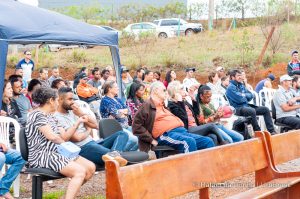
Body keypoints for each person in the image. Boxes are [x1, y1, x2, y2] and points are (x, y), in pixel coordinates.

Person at [26, 87, 95, 199]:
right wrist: (65, 144)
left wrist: (77, 123)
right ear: (50, 100)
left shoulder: (51, 116)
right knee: (80, 172)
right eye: (57, 100)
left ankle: (67, 196)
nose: (58, 103)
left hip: (57, 152)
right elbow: (51, 136)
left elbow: (63, 136)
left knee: (90, 168)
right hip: (42, 154)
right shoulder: (37, 114)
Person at [54, 87, 129, 166]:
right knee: (120, 158)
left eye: (73, 99)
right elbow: (77, 138)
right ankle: (114, 156)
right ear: (60, 100)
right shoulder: (58, 117)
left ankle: (113, 154)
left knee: (122, 134)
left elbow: (95, 125)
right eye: (69, 99)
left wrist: (81, 113)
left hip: (93, 143)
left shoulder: (74, 111)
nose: (72, 102)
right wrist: (88, 130)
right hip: (83, 148)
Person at [132, 81, 214, 153]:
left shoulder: (163, 106)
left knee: (207, 141)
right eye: (164, 90)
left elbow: (185, 120)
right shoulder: (147, 105)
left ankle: (210, 169)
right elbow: (136, 127)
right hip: (166, 135)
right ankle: (192, 170)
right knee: (188, 142)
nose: (166, 93)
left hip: (182, 132)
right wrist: (151, 140)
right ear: (156, 91)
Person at [167, 81, 228, 145]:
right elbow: (183, 118)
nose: (184, 91)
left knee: (213, 136)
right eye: (181, 89)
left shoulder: (184, 102)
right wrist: (180, 102)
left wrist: (193, 99)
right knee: (211, 126)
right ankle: (224, 143)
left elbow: (196, 113)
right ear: (175, 92)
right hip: (187, 130)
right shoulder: (172, 105)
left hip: (195, 127)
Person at [226, 69, 276, 134]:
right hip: (237, 109)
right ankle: (258, 132)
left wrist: (243, 95)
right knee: (251, 111)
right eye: (238, 76)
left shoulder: (241, 85)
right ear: (232, 77)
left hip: (246, 106)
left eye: (241, 75)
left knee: (265, 109)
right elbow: (240, 100)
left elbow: (251, 95)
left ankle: (272, 131)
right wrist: (244, 96)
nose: (241, 77)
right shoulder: (230, 87)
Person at [100, 81, 138, 151]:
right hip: (115, 128)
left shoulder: (118, 99)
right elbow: (118, 115)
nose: (118, 88)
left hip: (125, 126)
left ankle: (128, 155)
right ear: (109, 89)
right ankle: (122, 154)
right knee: (134, 139)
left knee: (141, 137)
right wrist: (122, 112)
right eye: (116, 87)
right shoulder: (105, 100)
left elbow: (129, 111)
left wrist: (121, 112)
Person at [1, 80, 22, 146]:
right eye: (9, 88)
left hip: (16, 128)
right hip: (5, 134)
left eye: (11, 88)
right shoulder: (0, 104)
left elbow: (19, 117)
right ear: (2, 90)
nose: (12, 90)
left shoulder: (13, 101)